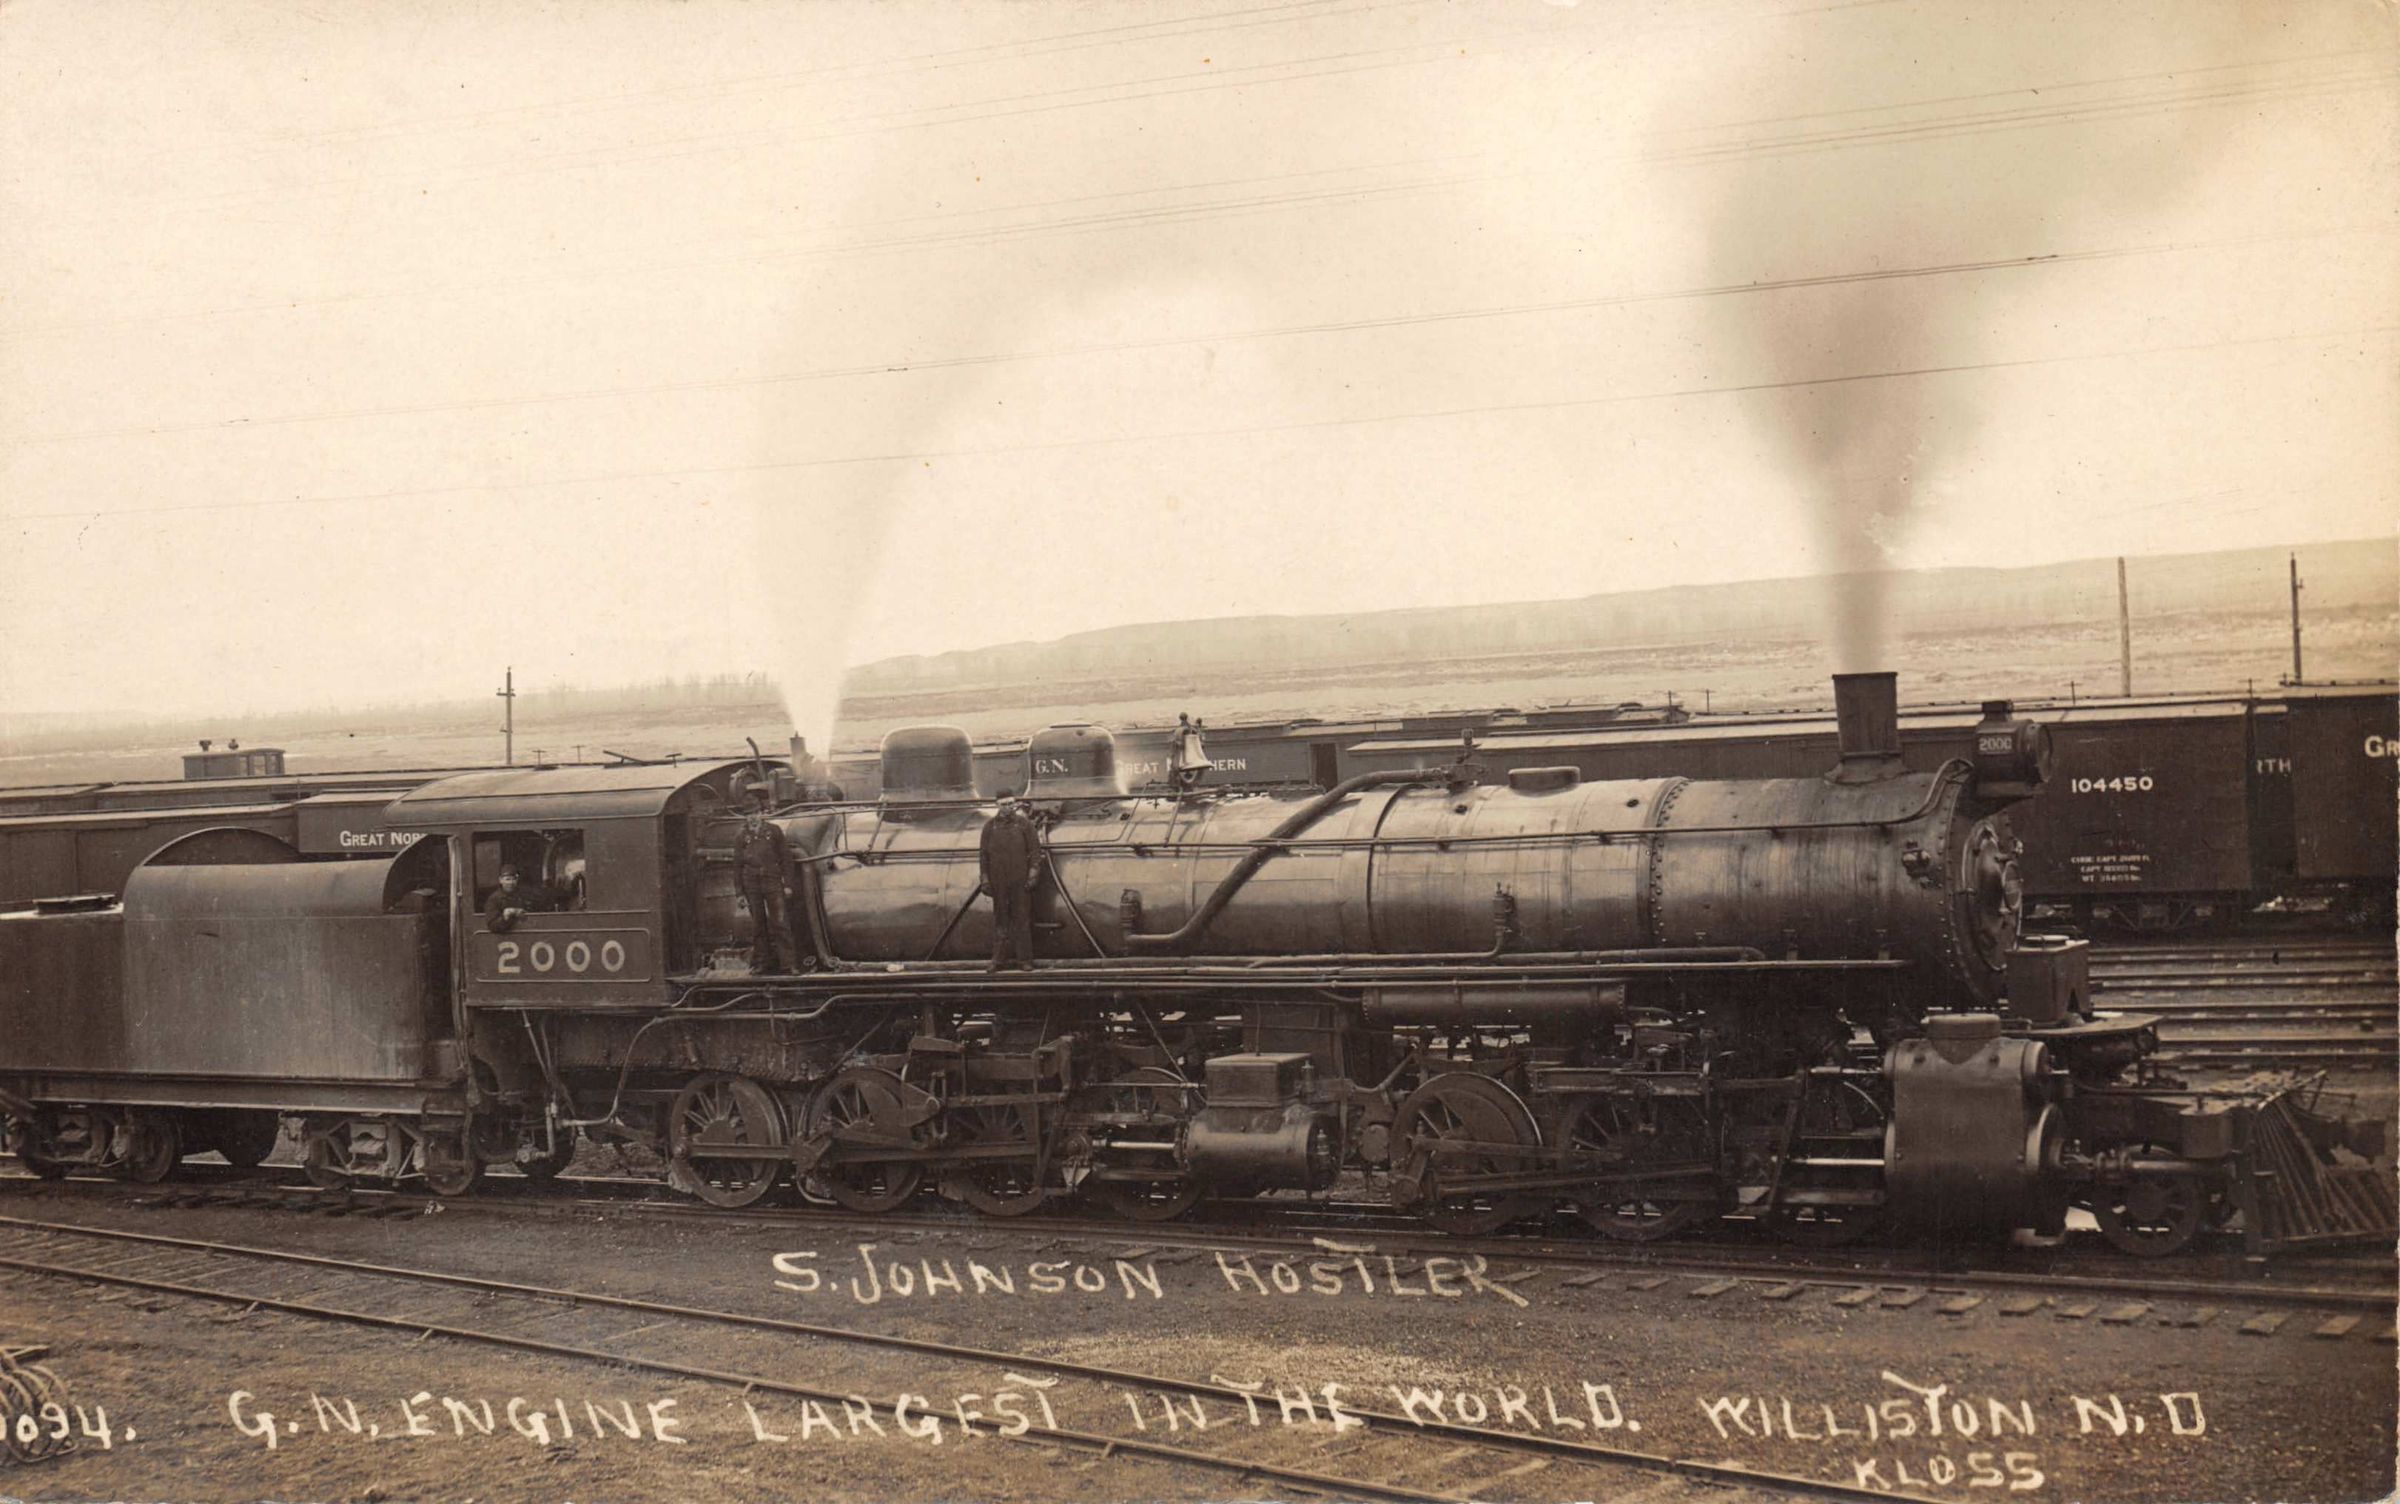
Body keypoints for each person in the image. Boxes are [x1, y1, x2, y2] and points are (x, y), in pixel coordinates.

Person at [979, 791, 1042, 971]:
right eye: (1004, 804)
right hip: (999, 882)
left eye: (1010, 804)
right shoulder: (989, 827)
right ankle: (998, 960)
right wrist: (985, 879)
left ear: (1014, 804)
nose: (1008, 807)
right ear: (997, 805)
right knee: (1001, 921)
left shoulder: (1024, 824)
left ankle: (1025, 960)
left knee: (1022, 920)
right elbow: (983, 855)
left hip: (1020, 881)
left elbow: (1035, 852)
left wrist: (1033, 875)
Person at [736, 803, 799, 974]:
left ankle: (788, 964)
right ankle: (762, 963)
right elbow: (737, 865)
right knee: (758, 925)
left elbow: (786, 858)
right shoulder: (741, 836)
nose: (753, 817)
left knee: (780, 922)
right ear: (745, 817)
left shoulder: (774, 831)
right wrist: (739, 893)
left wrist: (788, 884)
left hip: (772, 881)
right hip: (751, 883)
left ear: (761, 813)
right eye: (749, 814)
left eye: (755, 813)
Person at [483, 867, 552, 932]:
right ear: (501, 880)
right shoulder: (494, 899)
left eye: (513, 879)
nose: (511, 883)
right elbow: (492, 926)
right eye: (507, 879)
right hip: (505, 937)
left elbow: (538, 912)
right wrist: (505, 917)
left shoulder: (524, 895)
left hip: (527, 932)